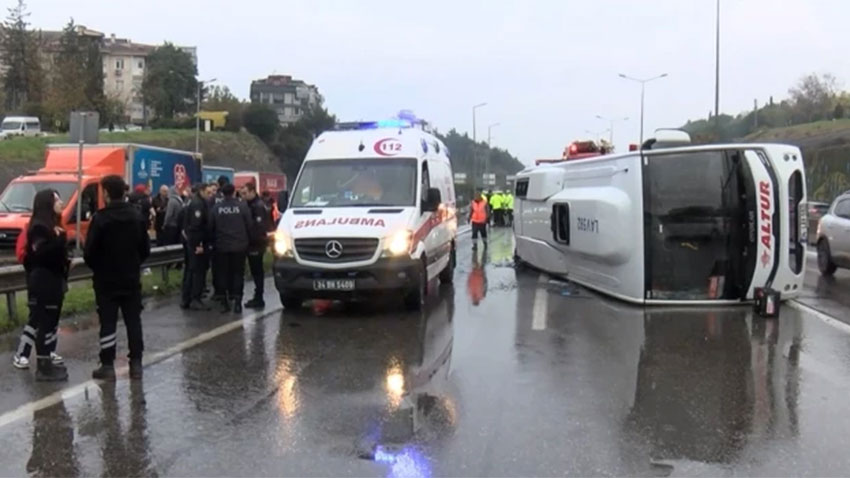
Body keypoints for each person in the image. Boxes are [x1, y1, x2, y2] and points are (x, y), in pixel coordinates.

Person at [84, 175, 151, 381]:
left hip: (106, 280)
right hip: (130, 277)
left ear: (106, 193)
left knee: (108, 323)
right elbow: (145, 248)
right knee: (133, 321)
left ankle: (107, 365)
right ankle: (136, 364)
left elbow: (89, 252)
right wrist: (133, 264)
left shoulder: (101, 218)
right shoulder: (136, 216)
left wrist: (100, 267)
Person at [17, 189, 70, 381]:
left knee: (51, 322)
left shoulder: (53, 225)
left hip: (54, 279)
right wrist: (60, 240)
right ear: (47, 204)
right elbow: (41, 254)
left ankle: (47, 360)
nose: (61, 203)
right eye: (56, 200)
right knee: (43, 322)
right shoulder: (39, 227)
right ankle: (41, 365)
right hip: (43, 281)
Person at [209, 183, 253, 313]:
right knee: (238, 274)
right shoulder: (242, 207)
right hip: (239, 246)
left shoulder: (216, 208)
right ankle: (238, 302)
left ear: (222, 193)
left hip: (221, 247)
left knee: (222, 274)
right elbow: (249, 225)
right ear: (234, 192)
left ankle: (224, 303)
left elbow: (210, 228)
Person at [181, 183, 212, 310]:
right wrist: (199, 244)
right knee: (197, 271)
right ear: (201, 191)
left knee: (192, 270)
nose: (210, 195)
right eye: (208, 192)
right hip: (197, 243)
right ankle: (194, 298)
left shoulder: (198, 202)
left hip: (194, 242)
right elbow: (196, 226)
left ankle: (187, 299)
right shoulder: (198, 204)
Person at [243, 182, 273, 309]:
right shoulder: (249, 204)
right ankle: (257, 296)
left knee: (257, 271)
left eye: (245, 193)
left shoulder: (258, 206)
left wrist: (251, 240)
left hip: (256, 244)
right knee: (255, 271)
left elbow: (258, 227)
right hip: (252, 243)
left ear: (252, 191)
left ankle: (259, 297)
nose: (243, 196)